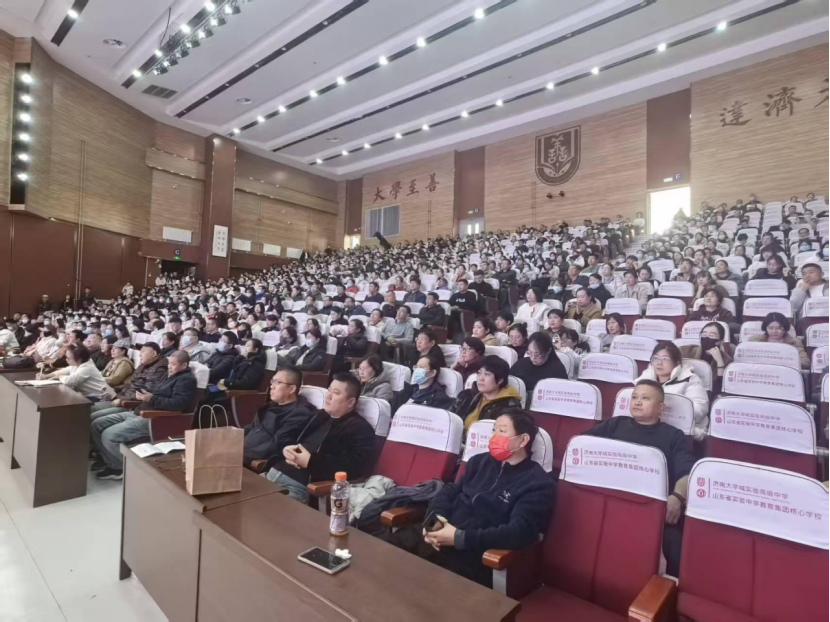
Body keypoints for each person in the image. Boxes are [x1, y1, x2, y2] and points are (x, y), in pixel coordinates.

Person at [417, 410, 556, 587]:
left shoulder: (537, 483)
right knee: (392, 547)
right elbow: (450, 491)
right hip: (440, 538)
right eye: (493, 430)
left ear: (522, 440)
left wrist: (460, 538)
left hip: (473, 555)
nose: (493, 437)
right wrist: (434, 522)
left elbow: (520, 531)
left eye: (502, 431)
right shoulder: (479, 462)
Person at [582, 380, 695, 577]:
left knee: (673, 545)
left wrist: (677, 497)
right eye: (634, 397)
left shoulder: (674, 435)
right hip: (609, 498)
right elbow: (582, 444)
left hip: (651, 507)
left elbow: (686, 473)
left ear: (660, 408)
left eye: (645, 398)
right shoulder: (615, 424)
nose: (637, 402)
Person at [262, 374, 375, 502]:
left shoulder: (360, 428)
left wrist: (311, 461)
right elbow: (287, 435)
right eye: (329, 390)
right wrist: (285, 448)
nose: (328, 396)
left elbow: (355, 467)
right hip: (272, 472)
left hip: (298, 487)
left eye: (336, 393)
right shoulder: (318, 415)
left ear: (351, 402)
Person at [91, 350, 197, 480]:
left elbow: (178, 404)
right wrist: (143, 395)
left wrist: (150, 398)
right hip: (139, 411)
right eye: (169, 363)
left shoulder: (186, 380)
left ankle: (118, 467)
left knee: (109, 435)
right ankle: (109, 459)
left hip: (154, 417)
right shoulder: (169, 375)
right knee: (96, 424)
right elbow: (156, 393)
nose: (169, 366)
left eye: (173, 364)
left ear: (184, 365)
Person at [243, 367, 316, 467]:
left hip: (251, 460)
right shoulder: (269, 406)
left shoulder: (299, 414)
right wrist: (232, 439)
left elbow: (277, 446)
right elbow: (251, 428)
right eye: (272, 381)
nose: (272, 386)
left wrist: (241, 453)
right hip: (241, 451)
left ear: (292, 389)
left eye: (277, 382)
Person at [636, 343, 710, 441]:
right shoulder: (645, 377)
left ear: (677, 362)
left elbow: (699, 411)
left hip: (680, 432)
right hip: (650, 427)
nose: (659, 363)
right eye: (656, 358)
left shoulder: (690, 380)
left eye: (665, 359)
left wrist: (664, 410)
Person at [88, 342, 169, 421]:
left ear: (153, 354)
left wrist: (121, 400)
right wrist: (115, 389)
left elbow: (145, 393)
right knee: (89, 408)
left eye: (143, 352)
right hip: (123, 397)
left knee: (93, 415)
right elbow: (131, 384)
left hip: (130, 404)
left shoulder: (159, 370)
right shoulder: (143, 365)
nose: (140, 355)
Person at [456, 356, 522, 432]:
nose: (481, 378)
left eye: (487, 374)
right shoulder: (467, 395)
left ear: (500, 380)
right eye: (479, 373)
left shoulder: (510, 405)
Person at [37, 344, 116, 401]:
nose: (66, 360)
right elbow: (64, 371)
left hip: (100, 397)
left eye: (68, 358)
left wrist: (59, 377)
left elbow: (70, 381)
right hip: (91, 395)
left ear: (79, 359)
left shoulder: (87, 367)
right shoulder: (79, 364)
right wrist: (46, 376)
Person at [510, 332, 568, 397]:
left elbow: (562, 393)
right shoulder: (520, 364)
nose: (533, 357)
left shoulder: (557, 369)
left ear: (548, 351)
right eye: (530, 353)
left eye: (537, 354)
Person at [679, 322, 732, 392]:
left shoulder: (727, 360)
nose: (706, 338)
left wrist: (720, 362)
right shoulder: (685, 351)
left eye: (712, 335)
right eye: (704, 334)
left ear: (720, 341)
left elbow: (719, 389)